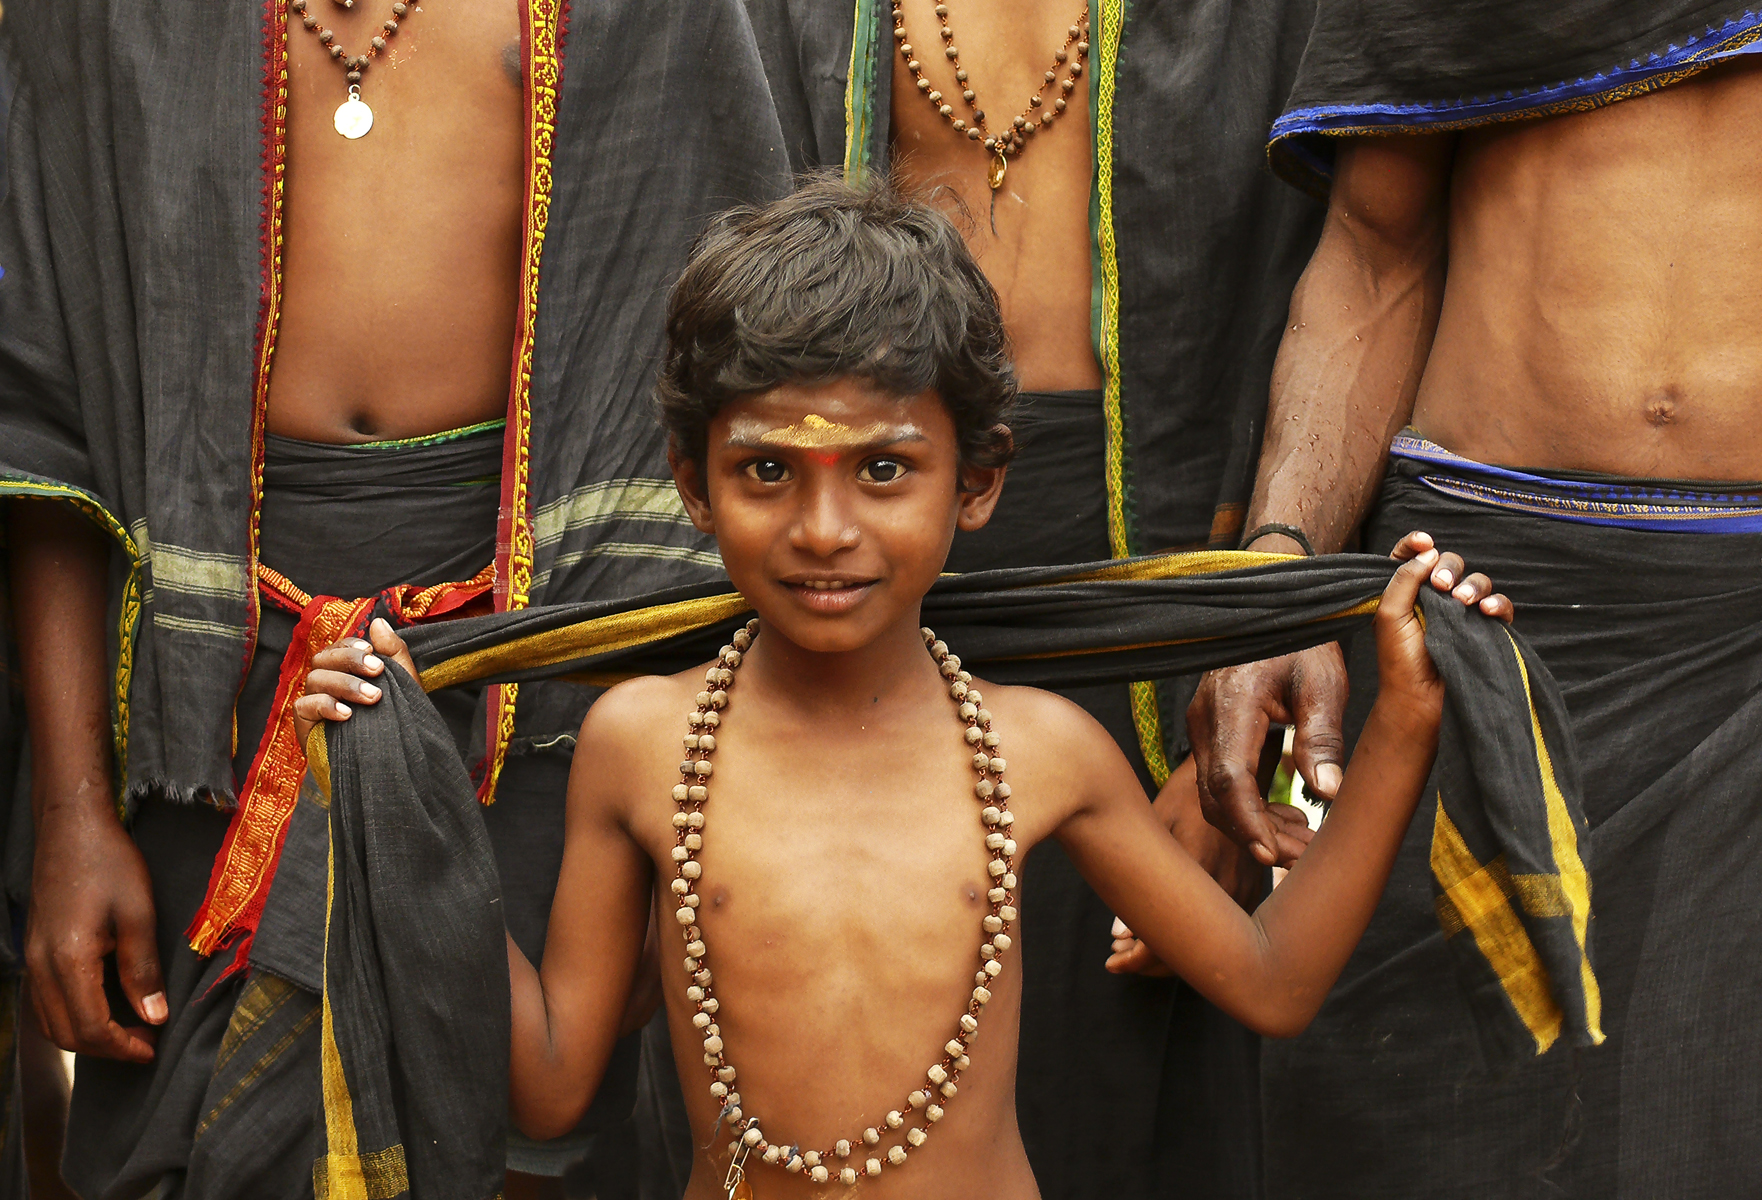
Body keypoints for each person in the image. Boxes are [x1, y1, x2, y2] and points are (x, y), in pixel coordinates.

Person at [297, 177, 1515, 1199]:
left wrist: (1405, 725)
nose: (825, 530)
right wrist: (411, 807)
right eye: (767, 470)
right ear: (692, 483)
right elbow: (555, 1077)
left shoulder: (1038, 750)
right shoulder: (645, 741)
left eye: (884, 469)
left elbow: (1273, 981)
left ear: (975, 484)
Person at [0, 0, 790, 1194]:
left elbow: (751, 397)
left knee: (532, 1144)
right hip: (199, 703)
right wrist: (69, 812)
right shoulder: (109, 24)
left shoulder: (648, 18)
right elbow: (43, 427)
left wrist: (665, 828)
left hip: (538, 691)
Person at [1181, 2, 1762, 1192]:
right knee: (1409, 1123)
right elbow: (1371, 250)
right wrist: (1281, 574)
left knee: (1738, 1121)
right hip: (1464, 605)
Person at [743, 3, 1327, 1189]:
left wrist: (1245, 728)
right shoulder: (779, 24)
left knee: (1147, 1100)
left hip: (1172, 605)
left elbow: (1331, 293)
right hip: (843, 575)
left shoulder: (1252, 24)